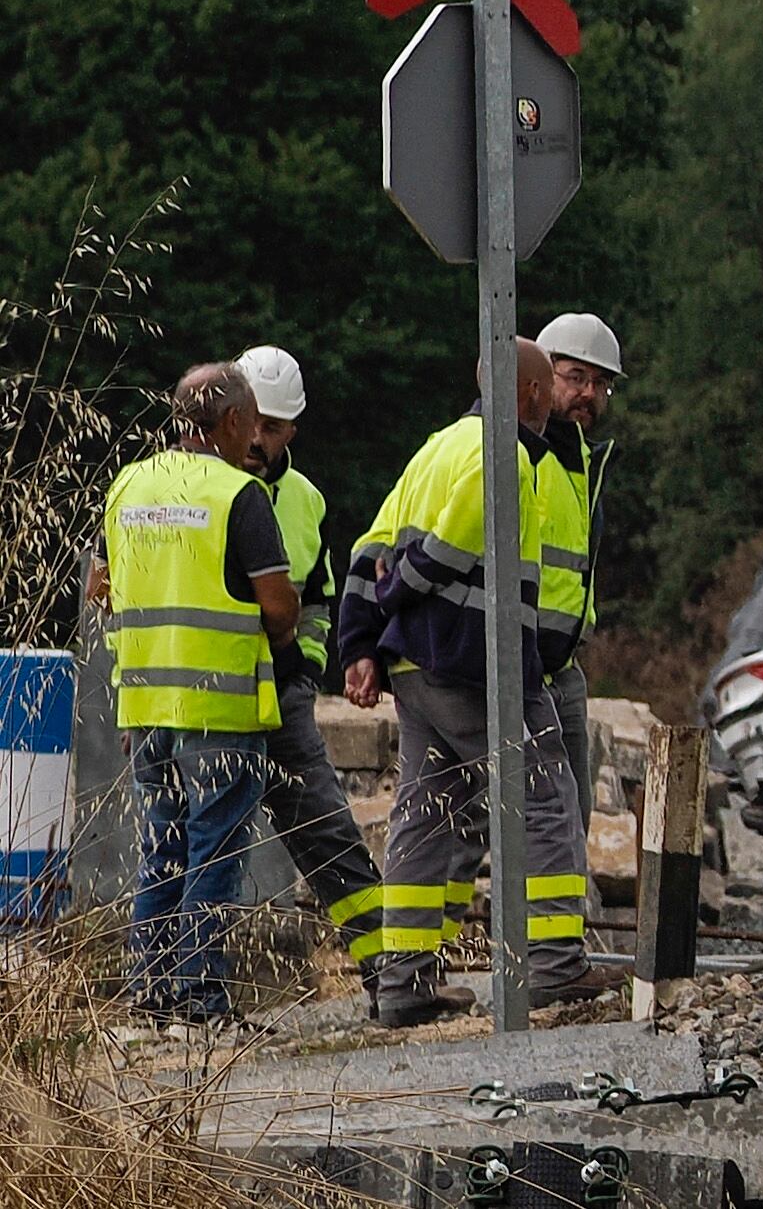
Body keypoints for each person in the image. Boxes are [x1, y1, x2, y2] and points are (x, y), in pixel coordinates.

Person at [336, 341, 617, 1026]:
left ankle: (403, 984)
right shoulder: (507, 453)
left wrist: (362, 640)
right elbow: (455, 546)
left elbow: (367, 546)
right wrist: (404, 589)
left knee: (424, 815)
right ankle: (552, 963)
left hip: (416, 667)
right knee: (547, 794)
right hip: (475, 662)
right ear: (529, 394)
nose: (555, 402)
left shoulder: (434, 448)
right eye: (549, 387)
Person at [101, 362, 294, 1028]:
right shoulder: (241, 495)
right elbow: (277, 606)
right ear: (236, 421)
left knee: (162, 846)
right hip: (218, 705)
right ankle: (201, 1001)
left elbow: (103, 589)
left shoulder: (130, 483)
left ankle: (149, 996)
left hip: (147, 702)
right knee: (214, 851)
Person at [231, 344, 387, 996]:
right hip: (210, 694)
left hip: (282, 690)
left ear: (293, 428)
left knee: (326, 828)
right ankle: (181, 993)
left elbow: (321, 592)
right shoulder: (199, 487)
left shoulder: (304, 500)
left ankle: (387, 964)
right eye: (252, 422)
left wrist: (310, 664)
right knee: (196, 843)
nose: (259, 439)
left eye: (275, 426)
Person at [533, 311, 620, 828]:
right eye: (576, 378)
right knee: (495, 819)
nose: (589, 393)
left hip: (561, 669)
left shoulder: (586, 465)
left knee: (570, 817)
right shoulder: (520, 454)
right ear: (541, 377)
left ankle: (561, 912)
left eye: (601, 383)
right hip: (508, 667)